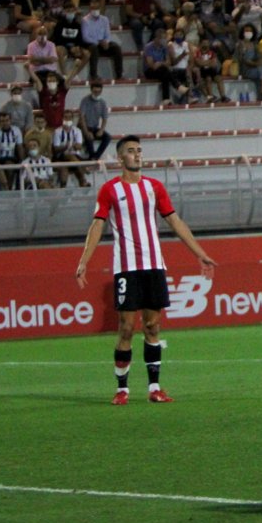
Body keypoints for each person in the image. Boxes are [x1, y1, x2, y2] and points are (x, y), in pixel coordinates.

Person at [75, 137, 218, 405]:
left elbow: (174, 220)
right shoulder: (109, 190)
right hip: (127, 268)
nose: (137, 155)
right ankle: (122, 389)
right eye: (131, 151)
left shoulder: (154, 187)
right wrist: (84, 260)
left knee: (153, 326)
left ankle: (155, 388)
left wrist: (200, 254)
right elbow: (97, 225)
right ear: (120, 158)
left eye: (139, 151)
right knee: (126, 328)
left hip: (154, 266)